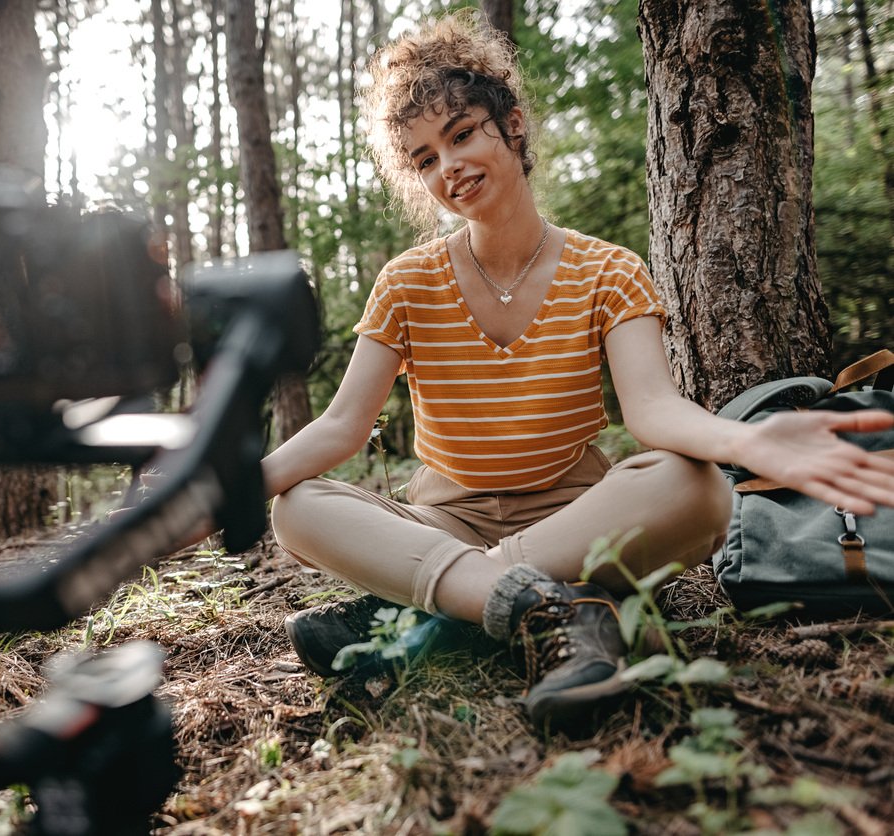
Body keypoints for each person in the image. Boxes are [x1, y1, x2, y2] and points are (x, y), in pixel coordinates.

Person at [250, 11, 894, 731]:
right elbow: (341, 426)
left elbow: (651, 411)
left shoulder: (607, 271)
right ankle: (560, 608)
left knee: (700, 489)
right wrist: (218, 495)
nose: (449, 167)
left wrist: (747, 443)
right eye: (424, 158)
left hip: (577, 520)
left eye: (461, 134)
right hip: (442, 520)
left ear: (510, 125)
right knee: (295, 507)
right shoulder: (405, 283)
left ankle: (431, 606)